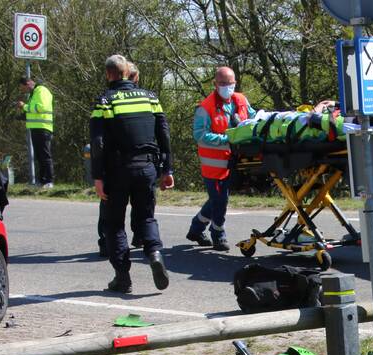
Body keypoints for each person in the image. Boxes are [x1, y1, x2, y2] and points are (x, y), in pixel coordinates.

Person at [90, 54, 174, 293]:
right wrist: (167, 169)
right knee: (146, 217)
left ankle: (122, 277)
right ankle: (155, 254)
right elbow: (164, 135)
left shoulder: (105, 101)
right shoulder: (150, 98)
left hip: (117, 171)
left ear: (109, 74)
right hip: (147, 168)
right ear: (127, 72)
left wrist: (98, 176)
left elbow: (98, 143)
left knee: (114, 224)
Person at [187, 66, 256, 251]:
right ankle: (218, 234)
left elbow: (253, 118)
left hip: (235, 163)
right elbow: (200, 135)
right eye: (223, 83)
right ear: (215, 84)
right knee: (220, 201)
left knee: (216, 200)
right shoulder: (206, 107)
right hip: (214, 166)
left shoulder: (240, 100)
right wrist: (227, 140)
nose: (227, 86)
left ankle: (196, 228)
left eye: (230, 83)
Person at [96, 60, 144, 257]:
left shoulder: (109, 99)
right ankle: (134, 236)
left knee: (111, 207)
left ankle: (109, 241)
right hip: (133, 163)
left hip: (116, 165)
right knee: (137, 204)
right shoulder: (116, 100)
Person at [17, 77, 54, 188]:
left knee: (45, 155)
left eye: (22, 87)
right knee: (39, 156)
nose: (22, 90)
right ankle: (41, 181)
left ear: (28, 83)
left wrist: (25, 106)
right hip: (37, 128)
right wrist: (23, 114)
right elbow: (34, 111)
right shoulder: (34, 93)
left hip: (43, 128)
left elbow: (40, 108)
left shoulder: (41, 90)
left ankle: (49, 181)